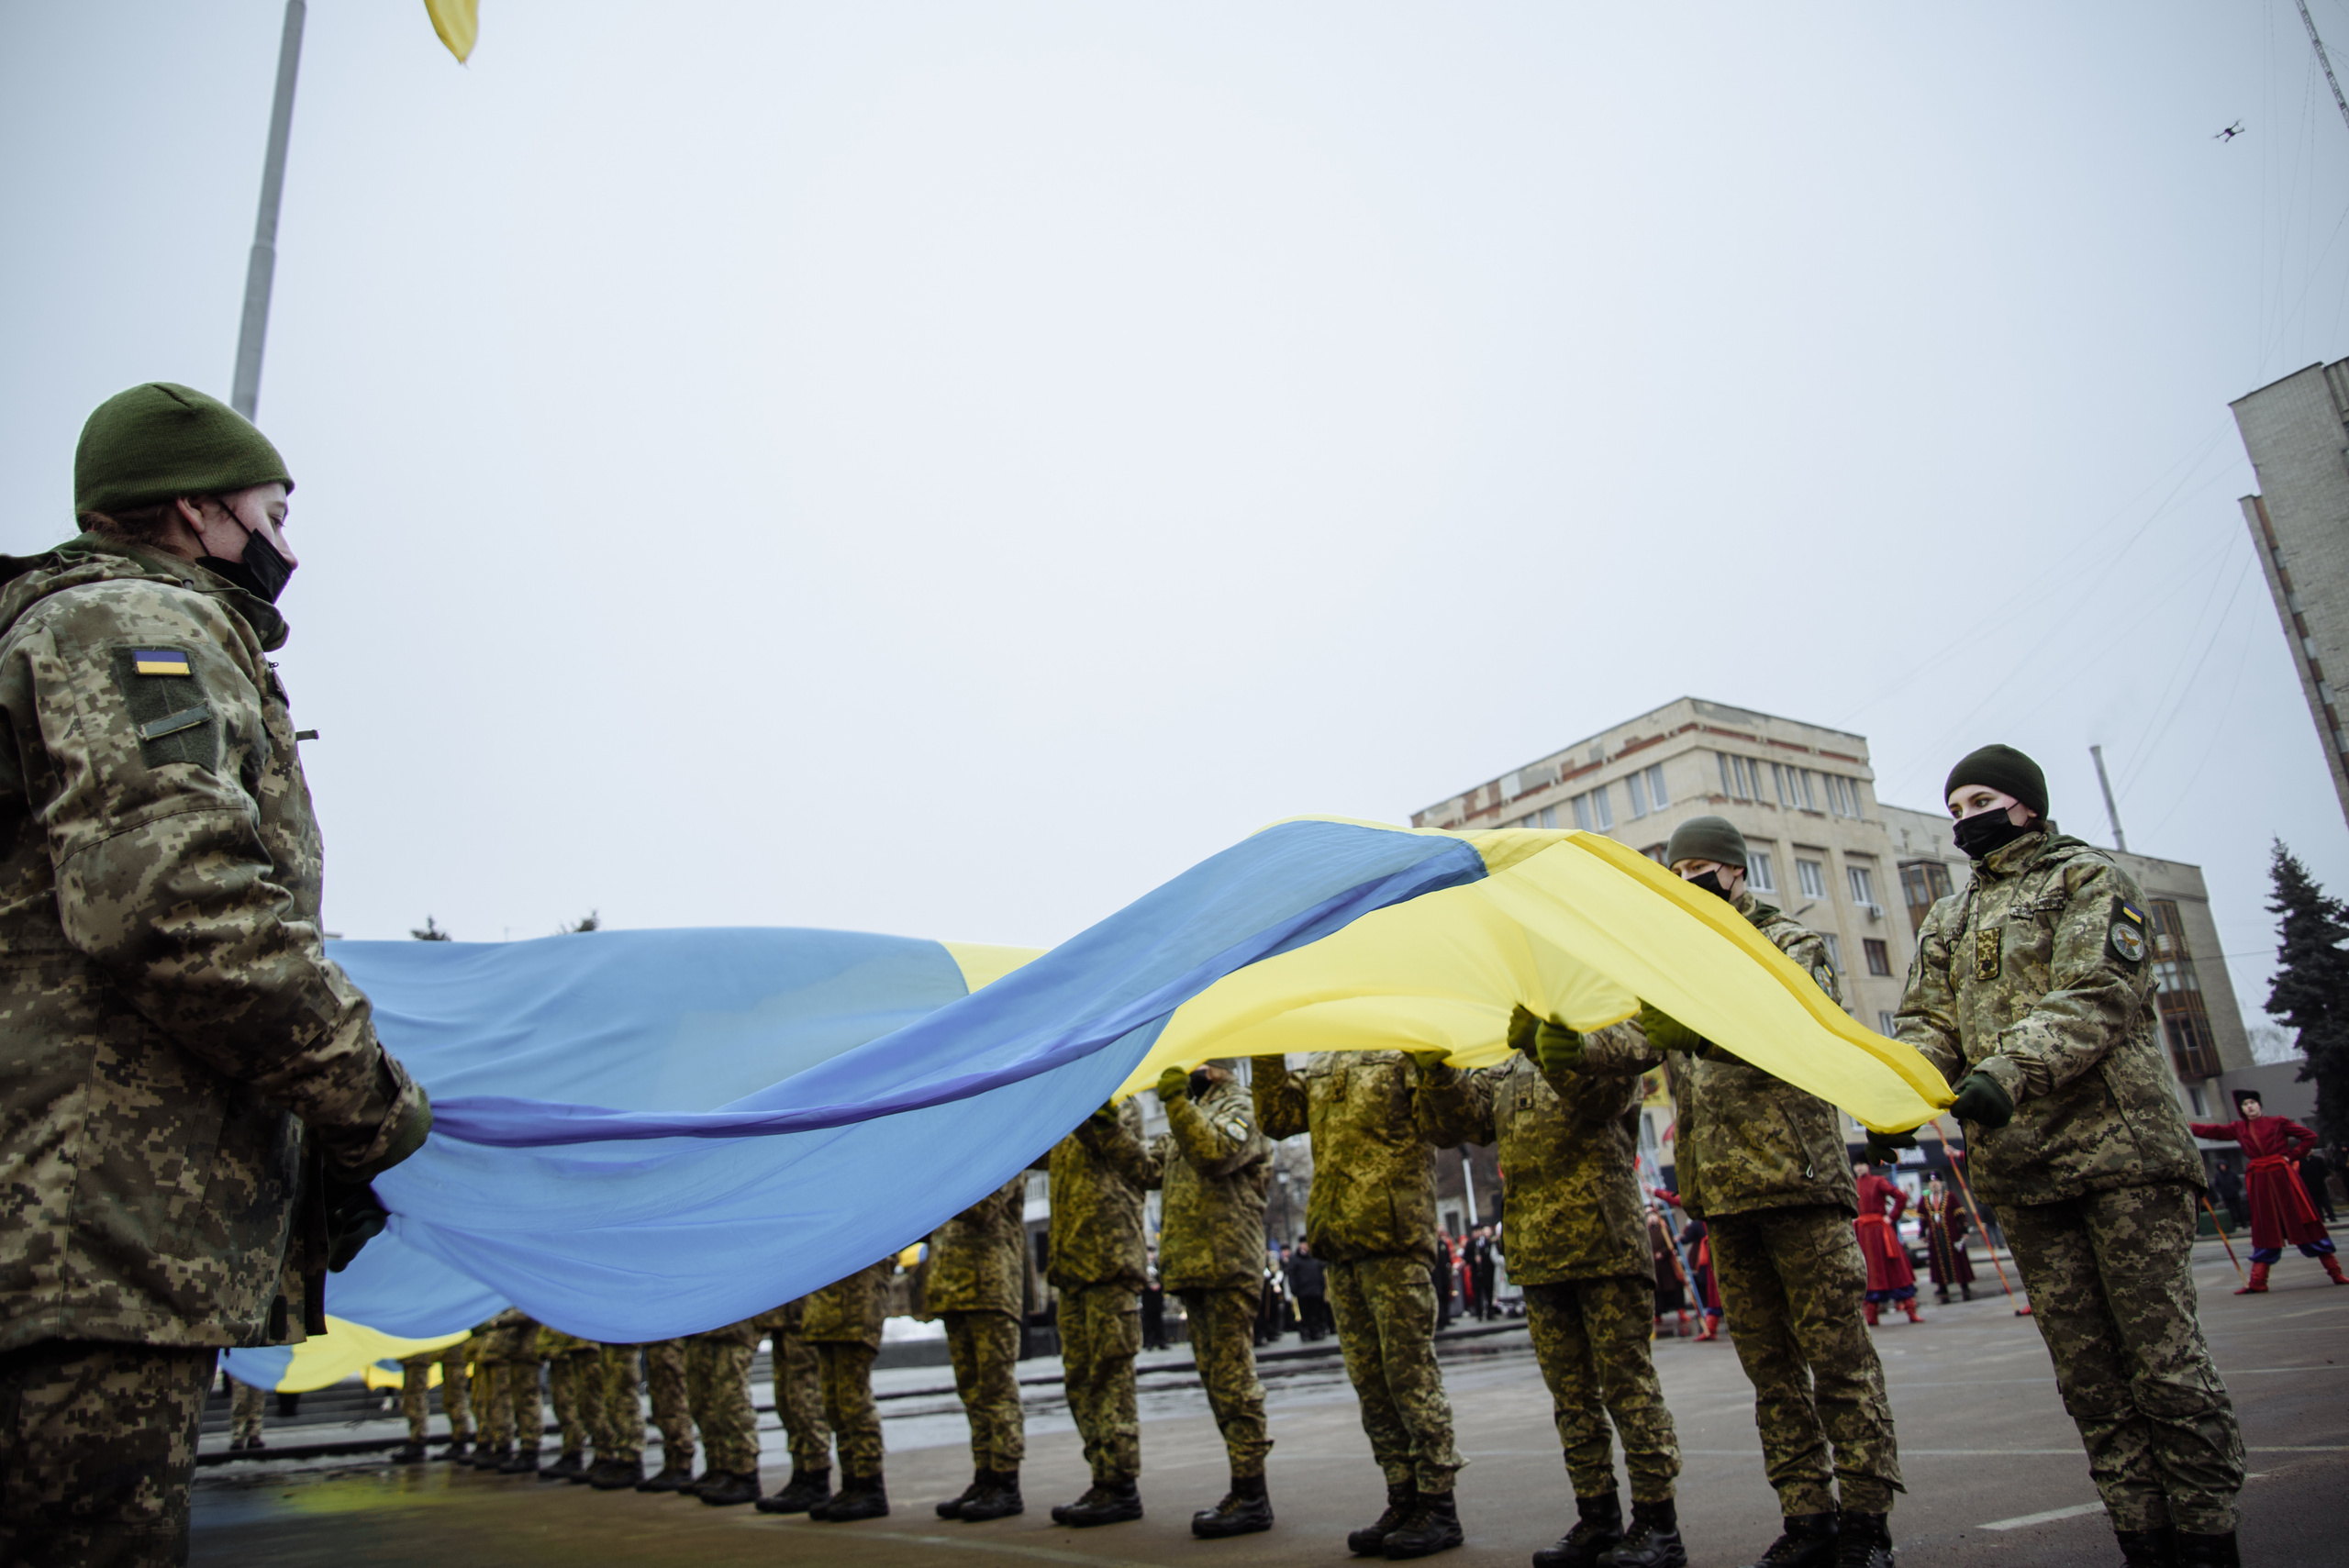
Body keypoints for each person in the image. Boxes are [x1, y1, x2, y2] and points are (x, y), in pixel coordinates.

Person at [0, 382, 435, 1566]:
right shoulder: (136, 627)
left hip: (81, 1230)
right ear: (195, 511)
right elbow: (179, 909)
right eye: (273, 509)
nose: (287, 542)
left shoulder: (95, 628)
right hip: (91, 1233)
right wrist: (367, 1106)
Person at [1891, 744, 2244, 1568]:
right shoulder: (1950, 916)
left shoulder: (2088, 879)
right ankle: (2143, 1536)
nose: (1964, 818)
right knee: (2090, 1381)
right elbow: (1928, 1022)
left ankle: (2206, 1536)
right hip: (2024, 1168)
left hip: (2118, 1154)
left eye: (1979, 798)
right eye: (1953, 808)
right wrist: (1898, 1092)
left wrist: (2008, 1070)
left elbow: (2098, 991)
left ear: (2024, 802)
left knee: (2165, 1367)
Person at [1564, 816, 1902, 1568]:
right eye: (1676, 871)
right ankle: (1807, 1516)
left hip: (1798, 1182)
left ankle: (1868, 1525)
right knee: (1771, 1372)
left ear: (1736, 872)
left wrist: (1698, 1030)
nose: (1689, 882)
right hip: (1723, 1193)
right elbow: (1640, 1037)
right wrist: (1575, 1046)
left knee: (1840, 1363)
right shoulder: (1676, 957)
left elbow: (1795, 1028)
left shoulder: (1791, 942)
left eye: (1700, 867)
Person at [1420, 1012, 1687, 1568]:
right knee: (1572, 1401)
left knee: (1629, 1390)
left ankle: (1658, 1524)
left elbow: (1602, 1102)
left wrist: (1547, 1050)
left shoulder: (1607, 1040)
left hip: (1603, 1241)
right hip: (1538, 1251)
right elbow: (1462, 1123)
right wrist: (1438, 1073)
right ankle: (1597, 1517)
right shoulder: (1511, 1062)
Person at [1258, 1048, 1468, 1560]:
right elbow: (1279, 1118)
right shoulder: (1328, 1057)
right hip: (1340, 1242)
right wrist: (1267, 1046)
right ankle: (1402, 1495)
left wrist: (1437, 1067)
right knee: (1371, 1384)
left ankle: (1438, 1504)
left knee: (1409, 1376)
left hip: (1393, 1238)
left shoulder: (1401, 1045)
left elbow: (1450, 1124)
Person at [1146, 1059, 1277, 1538]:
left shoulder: (1239, 1105)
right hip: (1196, 1266)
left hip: (1226, 1263)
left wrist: (1177, 1102)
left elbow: (1215, 1152)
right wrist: (1099, 1127)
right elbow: (1146, 1167)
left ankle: (1252, 1493)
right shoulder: (1198, 1108)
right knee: (1217, 1381)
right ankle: (1243, 1487)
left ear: (1220, 1066)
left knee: (1233, 1378)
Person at [1033, 1097, 1152, 1527]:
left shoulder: (1123, 1102)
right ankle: (1102, 1476)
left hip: (1108, 1259)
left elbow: (1131, 1160)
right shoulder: (1067, 1110)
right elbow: (1034, 1150)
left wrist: (1088, 1104)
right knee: (1080, 1379)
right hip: (1072, 1266)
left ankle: (1121, 1483)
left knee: (1111, 1374)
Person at [927, 1175, 1030, 1521]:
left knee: (996, 1389)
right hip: (953, 1286)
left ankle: (1005, 1481)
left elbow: (981, 1207)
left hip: (990, 1285)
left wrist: (932, 1179)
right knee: (972, 1391)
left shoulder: (1001, 1150)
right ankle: (984, 1475)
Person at [2188, 1092, 2344, 1292]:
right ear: (2241, 1109)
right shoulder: (2238, 1127)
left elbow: (2309, 1136)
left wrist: (2292, 1155)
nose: (2250, 1107)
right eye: (2246, 1104)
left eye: (2253, 1102)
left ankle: (2336, 1273)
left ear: (2260, 1105)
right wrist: (2186, 1125)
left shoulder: (2278, 1122)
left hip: (2283, 1177)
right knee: (2265, 1227)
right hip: (2260, 1181)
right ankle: (2258, 1282)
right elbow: (2214, 1131)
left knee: (2304, 1221)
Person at [802, 1255, 900, 1521]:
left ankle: (870, 1484)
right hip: (827, 1304)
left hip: (857, 1302)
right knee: (834, 1404)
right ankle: (852, 1482)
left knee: (853, 1399)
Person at [751, 1297, 834, 1515]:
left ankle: (816, 1476)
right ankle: (801, 1473)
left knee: (805, 1398)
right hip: (782, 1316)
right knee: (788, 1400)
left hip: (803, 1315)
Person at [677, 1318, 764, 1505]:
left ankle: (745, 1473)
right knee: (708, 1403)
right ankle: (721, 1466)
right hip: (709, 1328)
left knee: (732, 1403)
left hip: (735, 1328)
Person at [1851, 1163, 1922, 1326]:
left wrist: (1892, 1217)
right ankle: (1872, 1316)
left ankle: (1911, 1311)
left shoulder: (1878, 1181)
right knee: (1869, 1271)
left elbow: (1901, 1197)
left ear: (1868, 1166)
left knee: (1894, 1267)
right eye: (1856, 1166)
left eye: (1861, 1165)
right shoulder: (1852, 1184)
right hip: (1864, 1234)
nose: (1859, 1168)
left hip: (1880, 1231)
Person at [391, 1335, 474, 1465]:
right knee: (454, 1393)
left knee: (417, 1392)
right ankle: (459, 1440)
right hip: (451, 1334)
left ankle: (418, 1440)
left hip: (425, 1335)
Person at [535, 1329, 601, 1482]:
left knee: (584, 1403)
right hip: (563, 1345)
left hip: (581, 1342)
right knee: (565, 1405)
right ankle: (574, 1452)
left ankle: (600, 1454)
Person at [1917, 1175, 1974, 1305]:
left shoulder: (1950, 1196)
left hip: (1951, 1233)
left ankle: (1963, 1284)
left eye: (1936, 1182)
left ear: (1941, 1183)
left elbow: (1960, 1214)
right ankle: (1942, 1286)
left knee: (1957, 1258)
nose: (1934, 1185)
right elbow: (1923, 1219)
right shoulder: (1925, 1200)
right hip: (1936, 1235)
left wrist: (1964, 1231)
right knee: (1938, 1260)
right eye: (1932, 1183)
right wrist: (1922, 1233)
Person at [1289, 1242, 1330, 1342]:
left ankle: (1316, 1331)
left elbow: (1321, 1274)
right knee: (1305, 1314)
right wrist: (1294, 1289)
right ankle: (1305, 1332)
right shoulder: (1295, 1259)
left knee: (1316, 1313)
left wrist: (1322, 1288)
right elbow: (1292, 1275)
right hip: (1302, 1291)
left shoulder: (1315, 1258)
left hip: (1316, 1291)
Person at [227, 1373, 269, 1453]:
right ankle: (239, 1436)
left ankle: (253, 1434)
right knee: (241, 1400)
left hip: (258, 1366)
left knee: (258, 1401)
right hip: (240, 1365)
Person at [2305, 1144, 2340, 1224]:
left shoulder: (2318, 1160)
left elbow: (2325, 1171)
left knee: (2326, 1202)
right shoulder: (2301, 1162)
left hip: (2320, 1185)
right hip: (2309, 1186)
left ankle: (2332, 1216)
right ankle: (2321, 1217)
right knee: (2316, 1204)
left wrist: (2321, 1177)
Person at [2210, 1160, 2248, 1231]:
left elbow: (2239, 1183)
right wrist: (2222, 1191)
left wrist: (2235, 1189)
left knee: (2239, 1209)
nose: (2223, 1167)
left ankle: (2244, 1224)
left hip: (2234, 1194)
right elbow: (2217, 1185)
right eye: (2221, 1166)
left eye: (2224, 1166)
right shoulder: (2218, 1175)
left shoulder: (2232, 1173)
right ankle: (2233, 1225)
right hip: (2226, 1195)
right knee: (2230, 1211)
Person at [1141, 1254, 1168, 1351]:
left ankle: (1161, 1341)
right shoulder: (1143, 1265)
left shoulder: (1157, 1265)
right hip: (1148, 1296)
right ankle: (1149, 1342)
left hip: (1157, 1297)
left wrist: (1160, 1286)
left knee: (1158, 1319)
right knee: (1148, 1320)